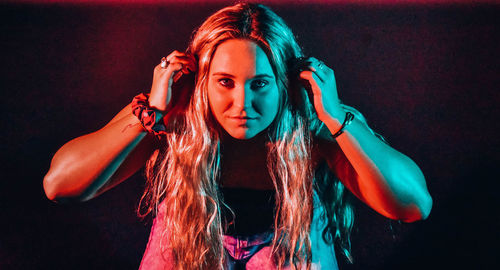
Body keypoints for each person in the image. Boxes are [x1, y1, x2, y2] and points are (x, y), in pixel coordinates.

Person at [43, 3, 432, 270]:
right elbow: (60, 185)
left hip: (287, 243)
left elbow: (414, 206)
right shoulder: (177, 115)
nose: (241, 103)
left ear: (284, 83)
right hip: (194, 237)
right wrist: (152, 112)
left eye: (260, 83)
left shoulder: (311, 123)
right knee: (179, 225)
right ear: (203, 82)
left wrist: (335, 118)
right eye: (225, 82)